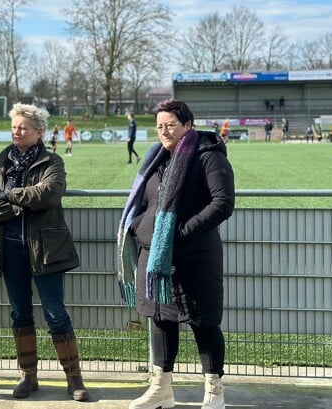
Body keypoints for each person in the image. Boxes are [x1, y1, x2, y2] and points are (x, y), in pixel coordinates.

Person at [117, 99, 234, 409]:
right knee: (160, 319)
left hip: (194, 258)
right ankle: (161, 390)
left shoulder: (208, 156)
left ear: (188, 125)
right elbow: (145, 202)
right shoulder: (156, 159)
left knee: (203, 321)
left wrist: (180, 234)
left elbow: (222, 203)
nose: (164, 131)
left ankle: (213, 391)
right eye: (159, 126)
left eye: (170, 125)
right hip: (154, 257)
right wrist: (139, 226)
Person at [0, 103, 89, 402]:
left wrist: (10, 195)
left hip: (46, 251)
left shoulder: (52, 161)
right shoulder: (0, 162)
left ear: (39, 132)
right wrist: (21, 203)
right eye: (14, 126)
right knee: (20, 314)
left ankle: (74, 379)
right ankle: (28, 377)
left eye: (23, 127)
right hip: (9, 251)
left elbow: (48, 194)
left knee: (56, 315)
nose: (17, 131)